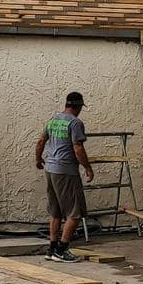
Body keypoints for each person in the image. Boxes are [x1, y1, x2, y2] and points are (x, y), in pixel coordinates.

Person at [35, 91, 94, 261]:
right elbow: (78, 148)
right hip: (66, 171)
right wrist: (88, 168)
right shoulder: (75, 123)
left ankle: (51, 248)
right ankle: (62, 249)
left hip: (50, 170)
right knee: (74, 213)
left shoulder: (53, 120)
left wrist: (38, 159)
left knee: (56, 212)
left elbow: (40, 142)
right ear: (78, 106)